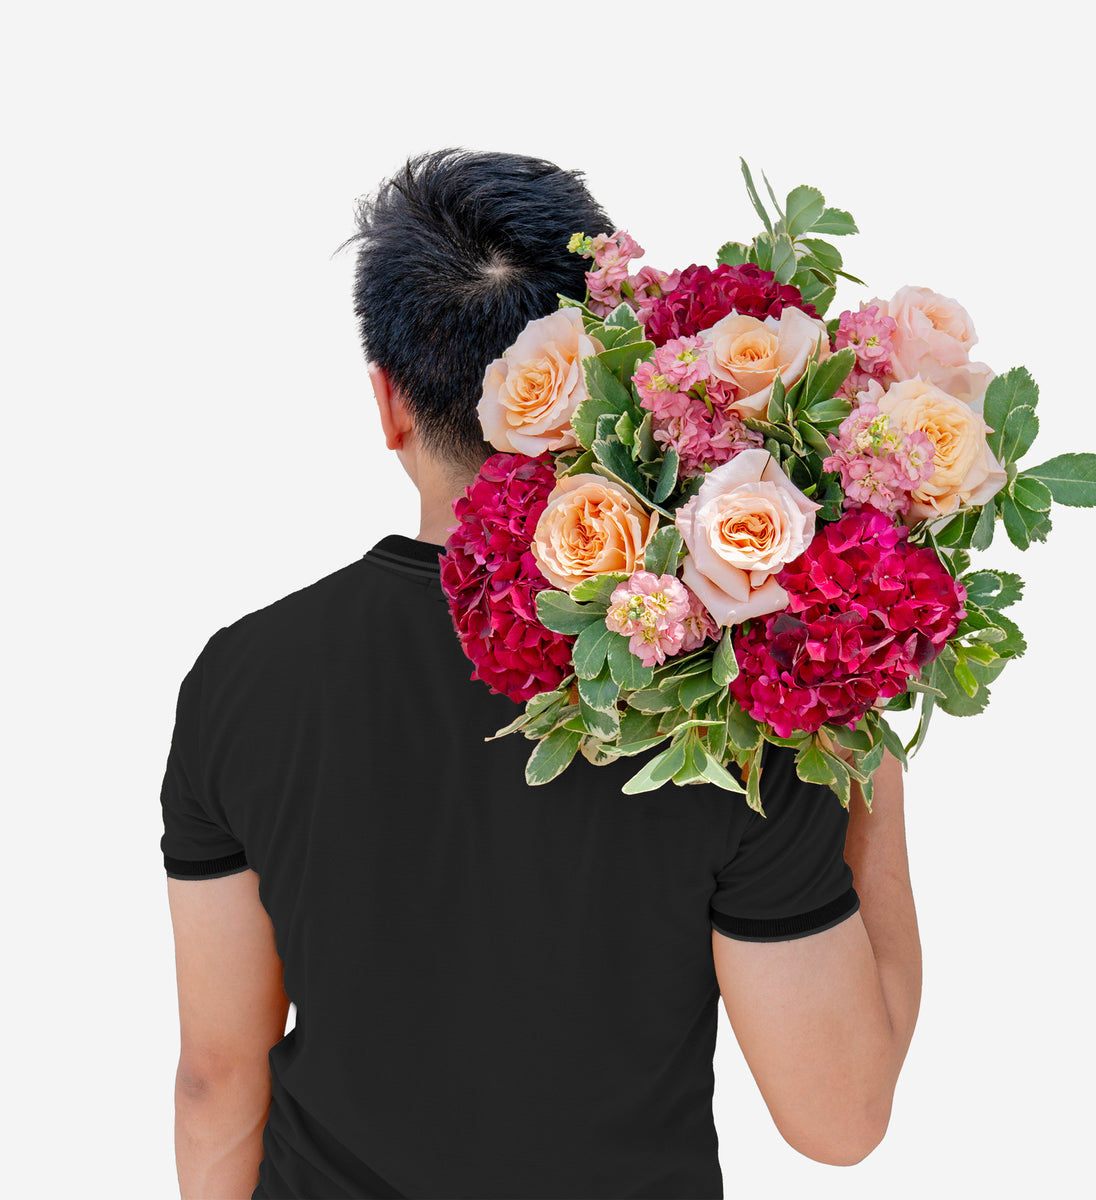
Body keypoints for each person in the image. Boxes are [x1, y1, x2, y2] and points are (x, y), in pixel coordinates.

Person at [159, 148, 922, 1200]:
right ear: (610, 369)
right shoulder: (732, 699)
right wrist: (859, 742)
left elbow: (214, 1078)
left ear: (387, 403)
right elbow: (840, 1119)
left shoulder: (241, 678)